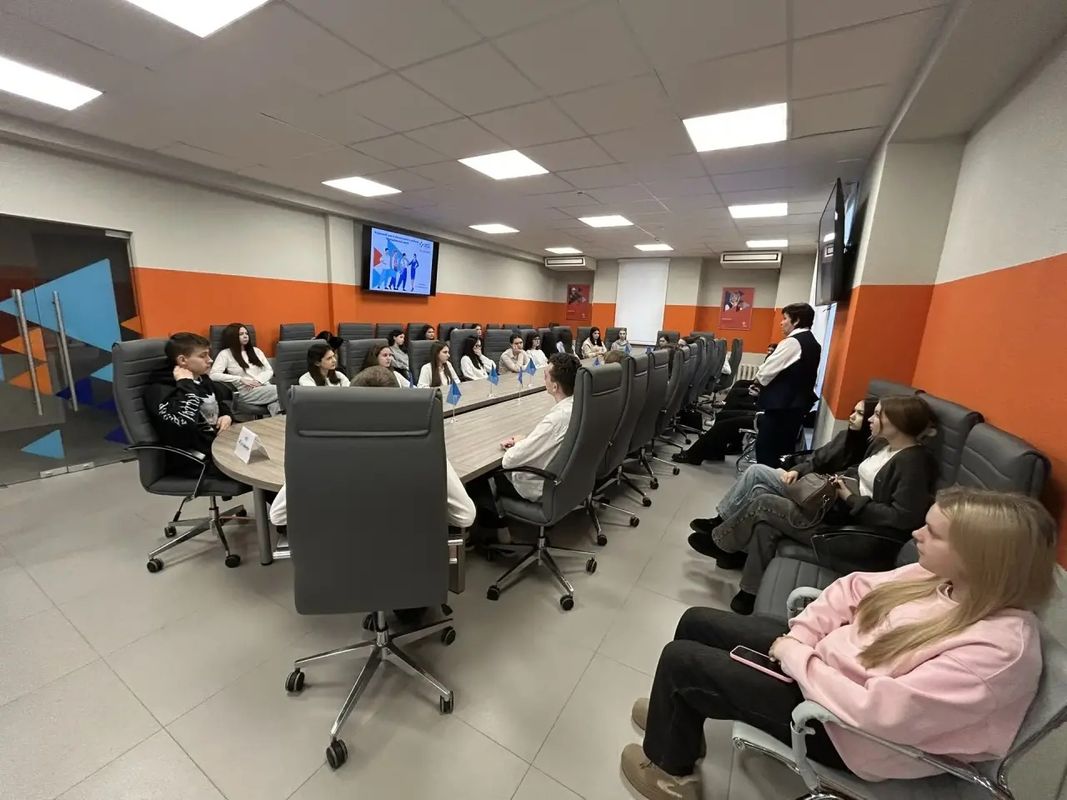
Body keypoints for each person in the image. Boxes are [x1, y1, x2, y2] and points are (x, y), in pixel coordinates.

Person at [620, 488, 1057, 800]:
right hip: (821, 672)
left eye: (933, 532)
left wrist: (797, 658)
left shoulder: (998, 652)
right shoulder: (942, 579)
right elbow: (853, 588)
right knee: (697, 621)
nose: (916, 535)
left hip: (846, 733)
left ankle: (672, 776)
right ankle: (676, 724)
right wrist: (802, 637)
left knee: (682, 662)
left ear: (979, 558)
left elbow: (879, 715)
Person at [695, 395, 938, 614]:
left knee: (764, 504)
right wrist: (839, 481)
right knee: (765, 526)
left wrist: (851, 499)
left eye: (877, 415)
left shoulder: (914, 463)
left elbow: (902, 518)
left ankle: (722, 544)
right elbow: (857, 471)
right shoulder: (882, 445)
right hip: (836, 511)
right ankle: (749, 593)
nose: (870, 420)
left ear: (897, 422)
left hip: (852, 533)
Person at [269, 366, 476, 531]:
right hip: (409, 559)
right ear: (400, 404)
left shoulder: (318, 450)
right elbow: (465, 515)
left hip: (335, 560)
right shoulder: (425, 448)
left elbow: (278, 516)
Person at [468, 353, 581, 540]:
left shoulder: (556, 419)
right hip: (566, 481)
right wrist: (527, 440)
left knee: (479, 476)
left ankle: (494, 537)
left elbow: (510, 460)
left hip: (540, 484)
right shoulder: (578, 406)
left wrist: (518, 444)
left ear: (555, 386)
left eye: (545, 376)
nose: (543, 379)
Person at [146, 332, 235, 478]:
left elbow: (219, 402)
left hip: (220, 446)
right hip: (196, 460)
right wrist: (186, 384)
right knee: (258, 472)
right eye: (203, 356)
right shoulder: (160, 390)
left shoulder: (202, 379)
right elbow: (183, 425)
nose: (210, 360)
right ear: (182, 360)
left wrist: (226, 415)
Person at [672, 344, 777, 464]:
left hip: (768, 416)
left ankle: (694, 455)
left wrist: (760, 395)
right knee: (722, 415)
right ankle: (716, 452)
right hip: (765, 412)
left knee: (723, 424)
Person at [752, 302, 821, 466]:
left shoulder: (793, 342)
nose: (781, 323)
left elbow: (764, 373)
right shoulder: (813, 343)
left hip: (781, 408)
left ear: (796, 320)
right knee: (782, 452)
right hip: (795, 407)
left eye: (785, 318)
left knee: (766, 452)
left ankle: (765, 481)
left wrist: (757, 383)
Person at [209, 323, 281, 416]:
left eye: (246, 333)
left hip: (264, 387)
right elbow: (213, 375)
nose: (245, 336)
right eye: (241, 334)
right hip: (246, 391)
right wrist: (240, 379)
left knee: (276, 403)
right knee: (282, 391)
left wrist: (258, 381)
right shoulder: (225, 354)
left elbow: (269, 370)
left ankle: (278, 422)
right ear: (232, 337)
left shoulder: (256, 351)